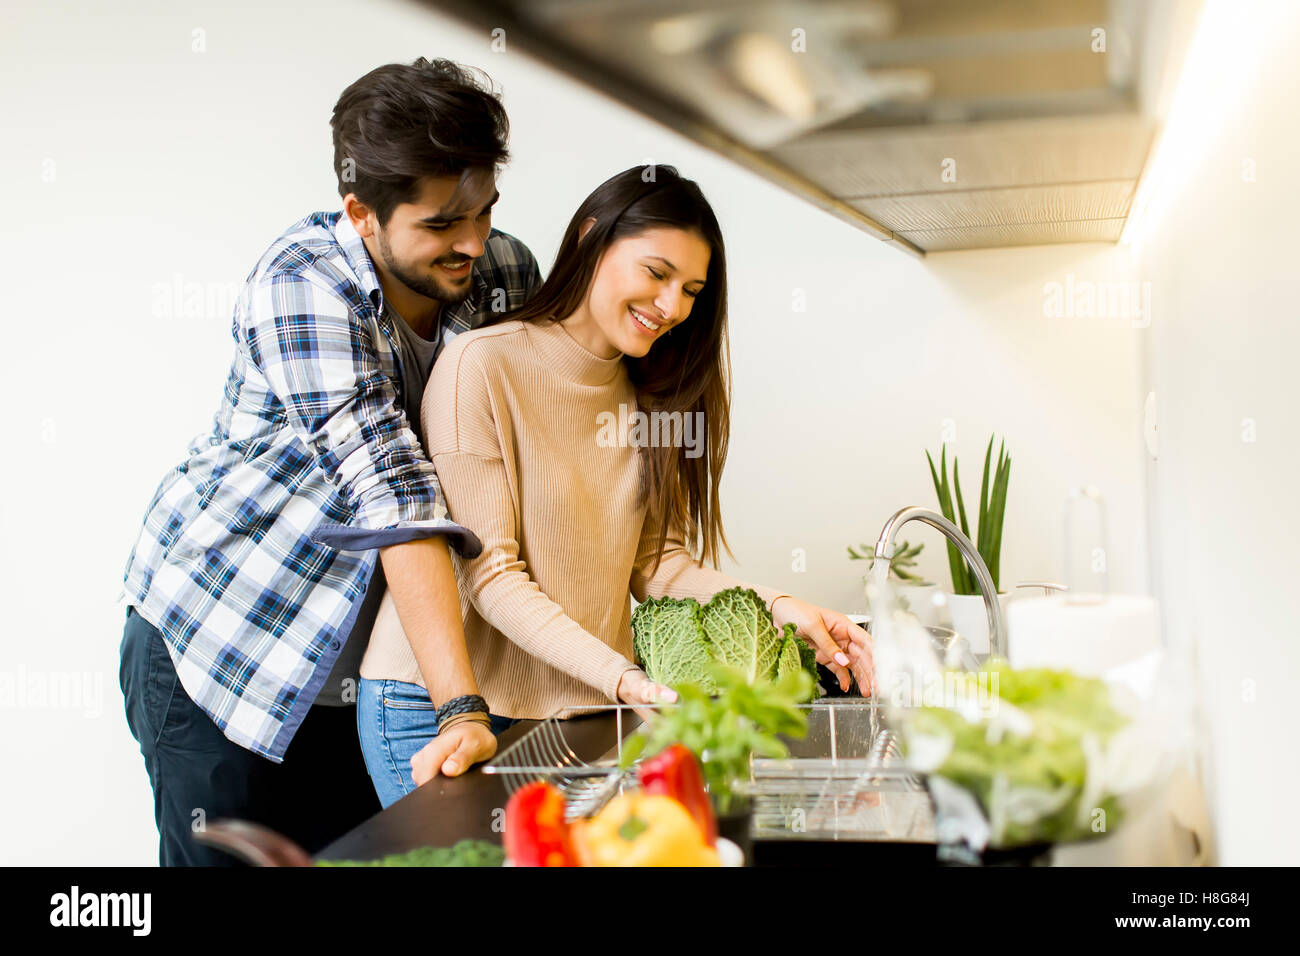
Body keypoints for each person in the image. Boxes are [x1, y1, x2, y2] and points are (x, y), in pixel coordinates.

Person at [117, 58, 536, 864]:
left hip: (365, 681)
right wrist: (460, 709)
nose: (474, 243)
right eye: (443, 223)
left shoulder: (506, 273)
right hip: (225, 651)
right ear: (362, 212)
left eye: (485, 210)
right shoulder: (301, 283)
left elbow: (532, 455)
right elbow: (395, 493)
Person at [357, 164, 875, 807]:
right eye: (655, 274)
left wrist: (781, 604)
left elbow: (656, 565)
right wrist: (626, 680)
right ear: (589, 240)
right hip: (443, 710)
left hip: (586, 699)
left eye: (691, 289)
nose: (672, 307)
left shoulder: (653, 392)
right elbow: (489, 574)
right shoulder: (480, 366)